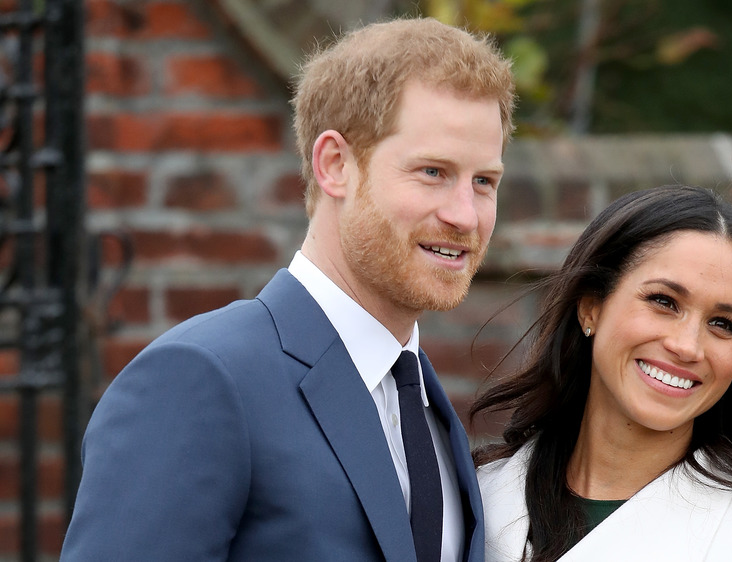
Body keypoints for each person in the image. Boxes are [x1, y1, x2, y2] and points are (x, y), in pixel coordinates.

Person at [62, 18, 515, 562]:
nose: (465, 214)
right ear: (335, 165)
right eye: (433, 172)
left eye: (484, 181)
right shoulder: (200, 378)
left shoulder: (424, 402)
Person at [471, 185, 732, 561]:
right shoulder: (475, 499)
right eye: (663, 302)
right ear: (591, 308)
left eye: (722, 323)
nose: (687, 346)